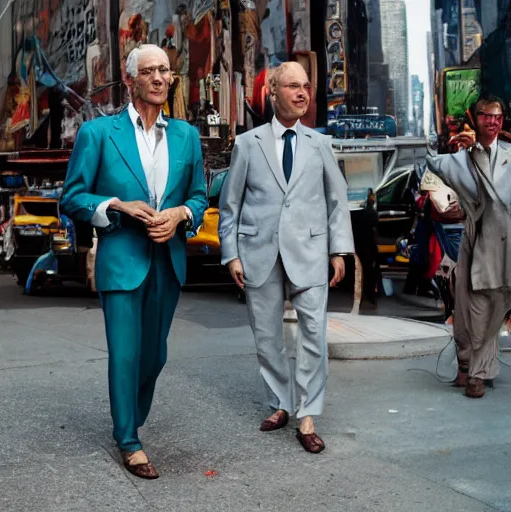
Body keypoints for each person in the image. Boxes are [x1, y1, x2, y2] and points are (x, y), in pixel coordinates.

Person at [60, 44, 207, 478]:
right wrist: (116, 206)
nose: (161, 78)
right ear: (131, 80)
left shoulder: (187, 136)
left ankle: (129, 416)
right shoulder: (98, 133)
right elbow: (72, 197)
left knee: (155, 355)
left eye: (166, 70)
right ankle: (128, 438)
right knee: (125, 354)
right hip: (122, 258)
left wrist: (181, 215)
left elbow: (199, 195)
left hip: (168, 259)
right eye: (151, 71)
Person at [218, 62, 354, 454]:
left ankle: (307, 413)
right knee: (267, 335)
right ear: (272, 93)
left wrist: (339, 250)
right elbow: (230, 205)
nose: (302, 93)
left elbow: (336, 201)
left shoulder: (320, 144)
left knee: (313, 332)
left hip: (311, 251)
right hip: (258, 251)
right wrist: (231, 255)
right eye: (293, 86)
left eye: (306, 87)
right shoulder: (248, 143)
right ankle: (280, 402)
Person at [426, 95, 511, 398]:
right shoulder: (462, 156)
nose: (492, 122)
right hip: (476, 241)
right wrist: (451, 146)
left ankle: (473, 368)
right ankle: (475, 371)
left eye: (497, 117)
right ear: (475, 119)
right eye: (486, 116)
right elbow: (431, 164)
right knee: (474, 307)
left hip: (507, 243)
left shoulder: (509, 155)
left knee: (498, 306)